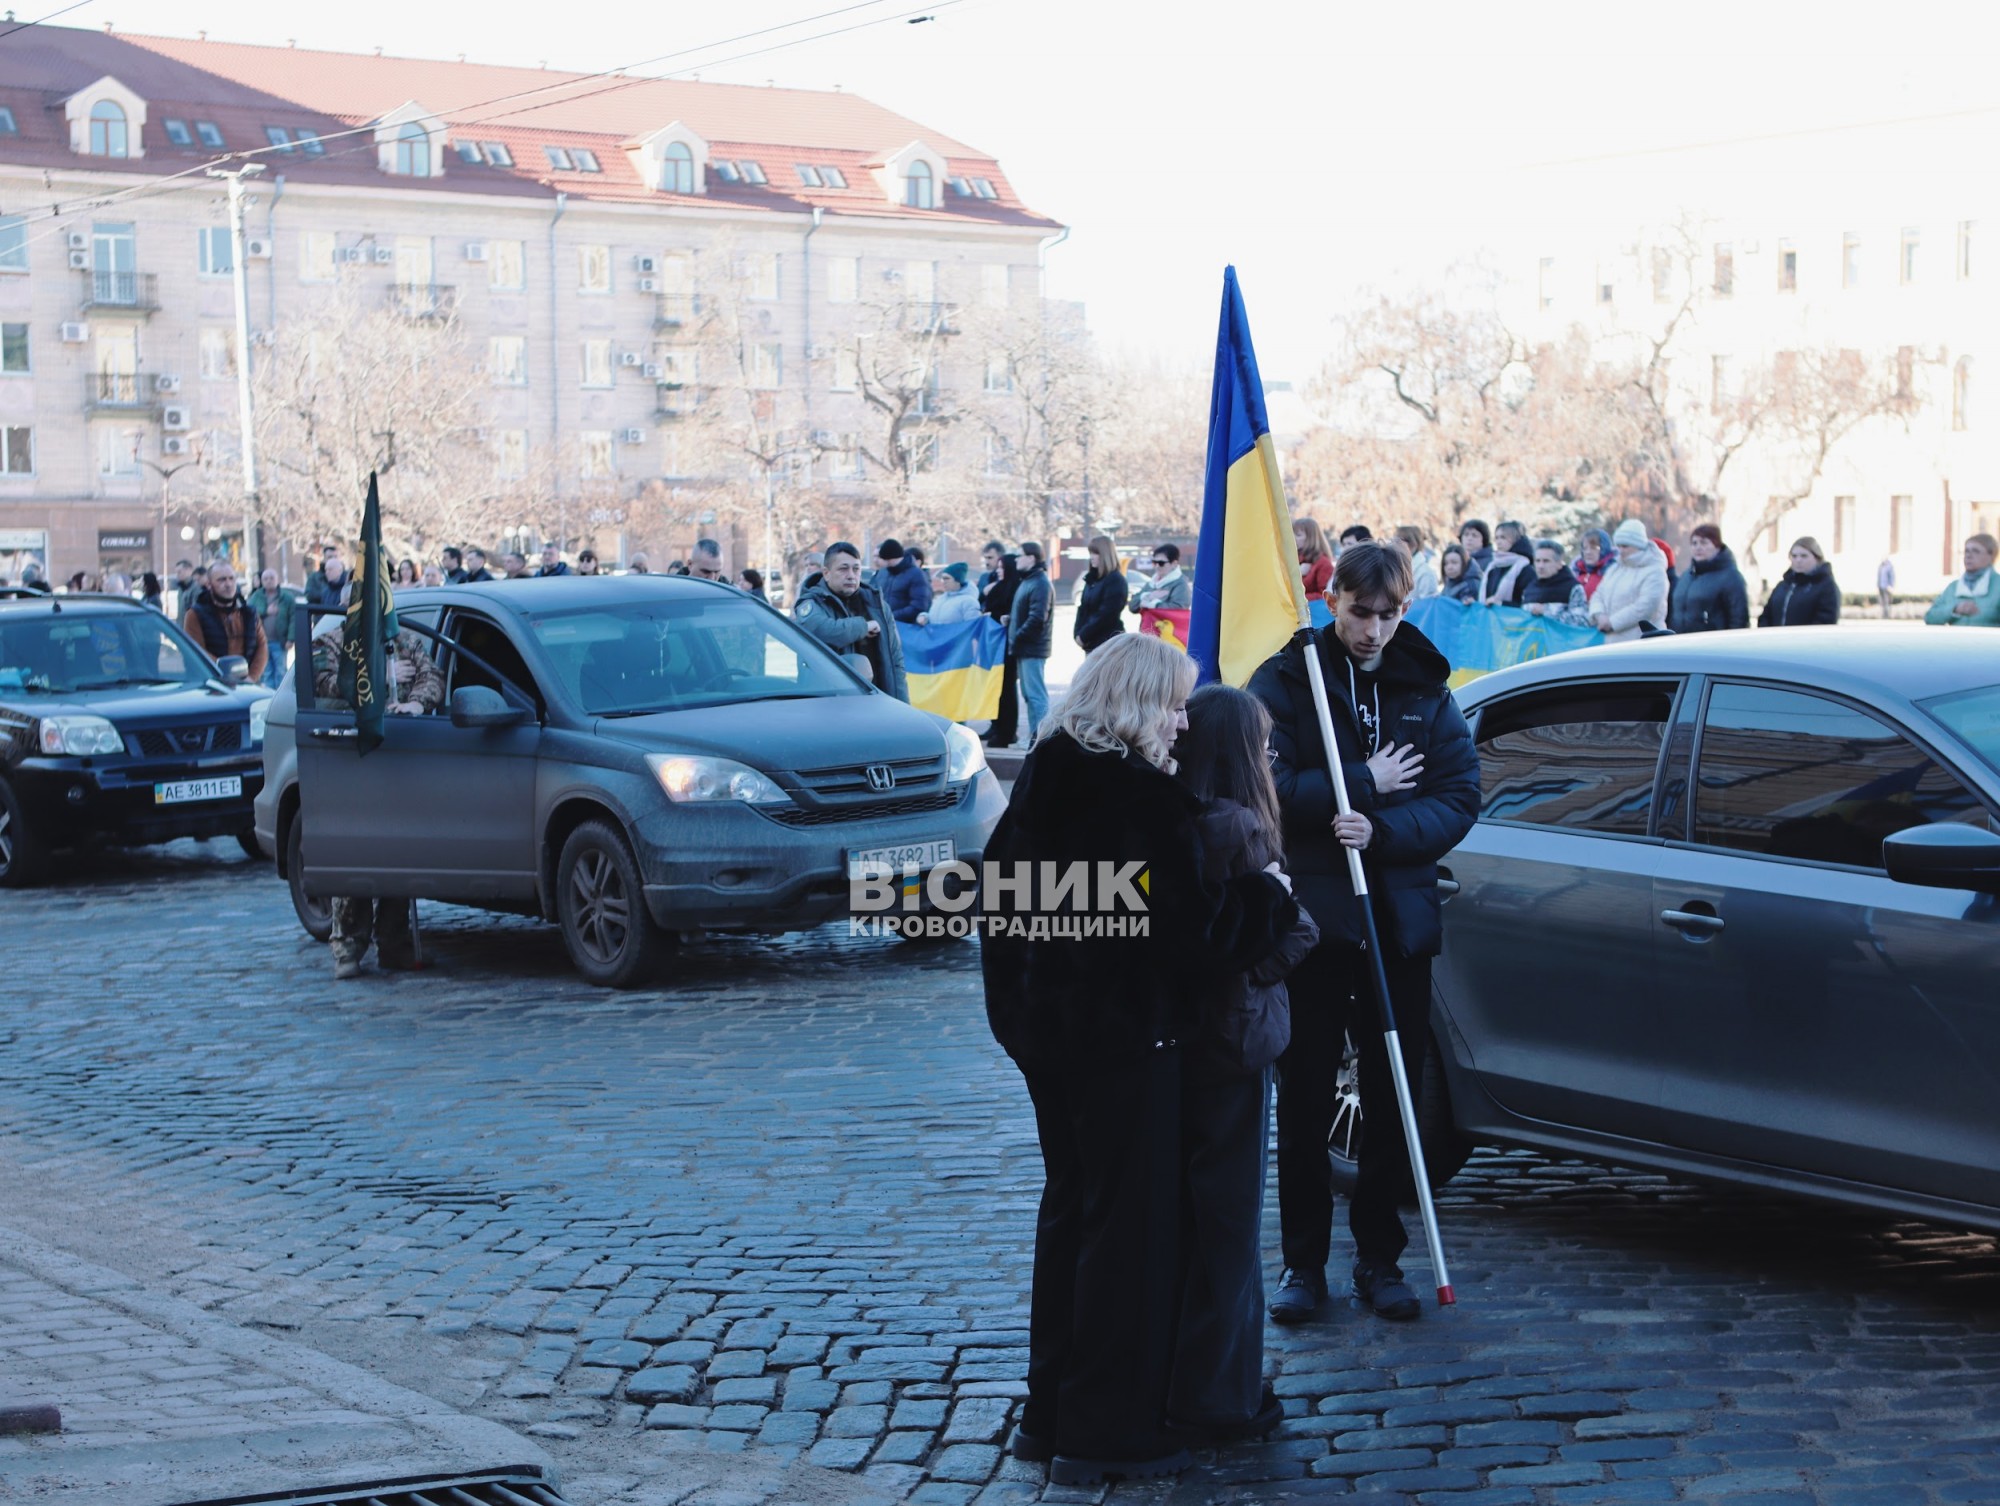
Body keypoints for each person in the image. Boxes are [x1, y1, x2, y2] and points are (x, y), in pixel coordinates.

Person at [980, 632, 1298, 1485]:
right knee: (1129, 1238)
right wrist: (1267, 899)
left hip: (1047, 1045)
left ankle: (1047, 1415)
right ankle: (1105, 1430)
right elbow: (1200, 939)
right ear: (1134, 706)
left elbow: (1002, 912)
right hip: (1125, 1046)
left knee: (1071, 1219)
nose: (1178, 725)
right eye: (1169, 705)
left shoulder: (1042, 780)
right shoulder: (1139, 801)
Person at [1248, 541, 1479, 1326]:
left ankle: (1380, 1257)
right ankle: (1301, 1263)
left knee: (1393, 1099)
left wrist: (1379, 828)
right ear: (1332, 600)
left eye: (1390, 614)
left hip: (1395, 919)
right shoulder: (1286, 679)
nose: (1375, 630)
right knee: (1306, 1099)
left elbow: (1457, 797)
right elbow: (1263, 784)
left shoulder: (1425, 687)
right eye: (1360, 613)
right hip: (1311, 924)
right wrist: (1358, 782)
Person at [1168, 683, 1318, 1446]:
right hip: (1234, 1043)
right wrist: (1253, 971)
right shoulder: (1240, 826)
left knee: (1186, 1220)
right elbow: (1290, 931)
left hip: (1182, 1045)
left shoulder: (1176, 817)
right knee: (1230, 1224)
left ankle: (1187, 1378)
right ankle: (1223, 1391)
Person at [311, 592, 446, 979]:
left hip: (399, 761)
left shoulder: (401, 638)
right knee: (356, 856)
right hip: (351, 761)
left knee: (399, 853)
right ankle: (348, 947)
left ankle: (395, 943)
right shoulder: (331, 642)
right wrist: (382, 676)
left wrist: (416, 703)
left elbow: (431, 675)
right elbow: (324, 685)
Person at [792, 541, 907, 701]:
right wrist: (863, 626)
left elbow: (896, 661)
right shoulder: (811, 603)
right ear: (826, 573)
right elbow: (823, 631)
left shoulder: (877, 605)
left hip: (879, 701)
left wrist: (902, 704)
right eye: (843, 569)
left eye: (856, 569)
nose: (851, 575)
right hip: (828, 702)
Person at [183, 560, 269, 682]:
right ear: (209, 584)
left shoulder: (249, 612)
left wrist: (252, 677)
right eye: (221, 580)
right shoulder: (195, 614)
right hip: (212, 685)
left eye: (231, 578)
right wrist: (226, 675)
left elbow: (262, 646)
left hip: (248, 683)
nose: (228, 584)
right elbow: (196, 652)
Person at [1589, 520, 1672, 642]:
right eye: (1619, 546)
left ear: (1638, 545)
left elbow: (1646, 606)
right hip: (1612, 642)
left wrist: (1612, 623)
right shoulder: (1615, 568)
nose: (1621, 550)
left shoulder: (1654, 570)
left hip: (1642, 642)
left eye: (1625, 546)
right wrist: (1599, 615)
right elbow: (1598, 594)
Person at [1010, 541, 1053, 745]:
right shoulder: (1029, 581)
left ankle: (1041, 739)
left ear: (1032, 558)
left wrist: (1018, 635)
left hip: (1032, 648)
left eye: (1020, 555)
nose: (1016, 559)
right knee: (1029, 695)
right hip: (1025, 647)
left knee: (1036, 696)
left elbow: (1037, 618)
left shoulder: (1040, 583)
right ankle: (1035, 737)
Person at [1669, 524, 1751, 633]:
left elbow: (1739, 618)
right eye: (1694, 543)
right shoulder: (1686, 576)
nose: (1698, 547)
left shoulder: (1731, 577)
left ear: (1717, 546)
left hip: (1713, 645)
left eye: (1704, 542)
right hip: (1681, 643)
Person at [982, 545, 1023, 748]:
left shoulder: (1014, 587)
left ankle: (1007, 731)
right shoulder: (998, 584)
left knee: (1006, 689)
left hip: (1006, 645)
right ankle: (997, 726)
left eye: (1001, 566)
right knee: (995, 687)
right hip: (994, 644)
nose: (998, 570)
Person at [1758, 536, 1840, 627]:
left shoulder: (1826, 587)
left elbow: (1825, 621)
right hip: (1776, 640)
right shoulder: (1782, 586)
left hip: (1806, 640)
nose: (1798, 560)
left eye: (1804, 556)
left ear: (1817, 558)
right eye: (1794, 556)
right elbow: (1766, 615)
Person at [1924, 533, 2000, 627]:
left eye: (1975, 551)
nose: (1968, 556)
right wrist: (1954, 609)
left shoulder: (1998, 585)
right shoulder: (1953, 587)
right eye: (1966, 551)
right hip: (1956, 641)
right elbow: (1930, 618)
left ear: (1991, 555)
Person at [1073, 535, 1128, 652]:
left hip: (1108, 642)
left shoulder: (1115, 580)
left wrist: (1084, 634)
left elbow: (1107, 613)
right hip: (1091, 642)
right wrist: (1078, 633)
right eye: (1090, 553)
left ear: (1105, 555)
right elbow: (1083, 608)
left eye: (1095, 553)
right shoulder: (1092, 579)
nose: (1091, 557)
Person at [1519, 540, 1592, 626]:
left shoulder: (1573, 588)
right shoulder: (1529, 589)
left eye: (1546, 561)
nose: (1540, 566)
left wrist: (1547, 612)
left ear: (1559, 564)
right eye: (1537, 561)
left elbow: (1582, 621)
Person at [248, 568, 299, 688]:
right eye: (265, 579)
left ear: (277, 580)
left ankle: (279, 697)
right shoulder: (256, 596)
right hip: (262, 643)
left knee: (281, 671)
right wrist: (265, 611)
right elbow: (249, 614)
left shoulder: (287, 597)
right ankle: (270, 697)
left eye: (272, 578)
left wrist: (291, 639)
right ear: (261, 580)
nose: (269, 581)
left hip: (280, 642)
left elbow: (293, 618)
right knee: (266, 672)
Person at [875, 538, 933, 624]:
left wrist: (890, 616)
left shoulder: (916, 575)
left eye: (885, 560)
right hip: (884, 624)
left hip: (905, 627)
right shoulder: (883, 572)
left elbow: (919, 606)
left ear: (891, 559)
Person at [1481, 526, 1532, 607]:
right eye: (1496, 538)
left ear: (1515, 540)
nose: (1498, 542)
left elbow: (1528, 604)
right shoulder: (1493, 566)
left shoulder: (1525, 568)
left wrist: (1502, 604)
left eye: (1503, 538)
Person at [1131, 543, 1191, 612]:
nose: (1157, 566)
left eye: (1161, 563)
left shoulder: (1180, 584)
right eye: (1154, 562)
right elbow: (1132, 606)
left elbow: (1179, 609)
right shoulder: (1151, 583)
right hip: (1149, 622)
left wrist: (1154, 604)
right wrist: (1148, 596)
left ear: (1174, 564)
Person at [1295, 519, 1334, 602]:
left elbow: (1324, 595)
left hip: (1311, 611)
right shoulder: (1295, 559)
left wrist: (1297, 600)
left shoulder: (1323, 563)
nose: (1293, 538)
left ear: (1311, 538)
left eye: (1298, 535)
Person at [1395, 526, 1438, 599]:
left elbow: (1427, 605)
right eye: (1396, 541)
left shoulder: (1425, 573)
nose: (1397, 545)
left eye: (1403, 540)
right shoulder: (1397, 568)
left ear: (1415, 544)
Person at [1574, 529, 1613, 599]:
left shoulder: (1612, 574)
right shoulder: (1576, 573)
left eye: (1594, 548)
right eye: (1585, 548)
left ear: (1604, 549)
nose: (1588, 552)